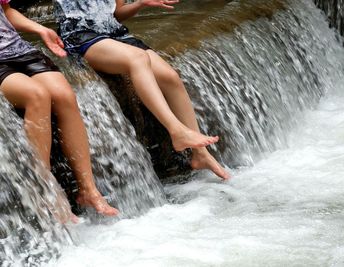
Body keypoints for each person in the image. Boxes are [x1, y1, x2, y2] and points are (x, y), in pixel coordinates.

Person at [53, 0, 230, 180]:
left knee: (170, 77)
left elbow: (117, 13)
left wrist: (140, 4)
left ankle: (200, 154)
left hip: (114, 33)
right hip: (80, 35)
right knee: (138, 58)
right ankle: (176, 130)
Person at [0, 0, 119, 220]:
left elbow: (6, 11)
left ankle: (88, 190)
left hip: (18, 49)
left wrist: (40, 29)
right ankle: (46, 192)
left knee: (64, 96)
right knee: (36, 95)